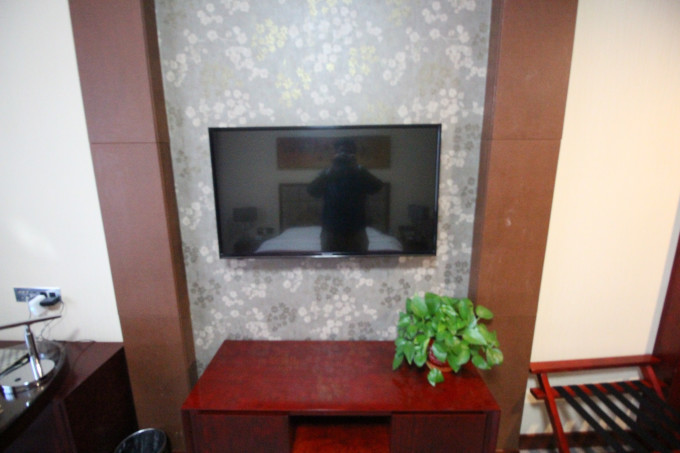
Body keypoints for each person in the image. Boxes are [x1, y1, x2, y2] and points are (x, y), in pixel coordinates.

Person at [307, 138, 383, 253]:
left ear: (354, 155)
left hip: (356, 230)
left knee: (359, 263)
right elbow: (312, 191)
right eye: (340, 152)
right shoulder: (328, 173)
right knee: (330, 263)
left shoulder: (360, 172)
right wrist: (331, 170)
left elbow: (377, 187)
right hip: (331, 230)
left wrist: (358, 168)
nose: (344, 156)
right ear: (335, 154)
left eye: (348, 152)